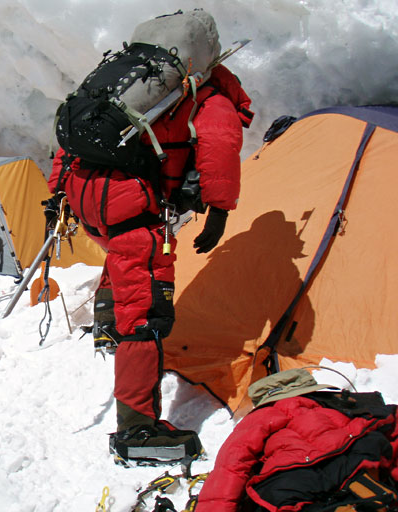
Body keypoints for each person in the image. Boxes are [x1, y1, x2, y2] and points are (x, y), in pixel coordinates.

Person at [49, 60, 252, 461]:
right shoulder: (205, 95)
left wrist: (58, 191)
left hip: (87, 196)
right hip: (131, 207)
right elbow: (219, 144)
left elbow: (73, 138)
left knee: (122, 258)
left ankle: (108, 323)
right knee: (144, 314)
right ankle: (137, 429)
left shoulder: (126, 86)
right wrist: (219, 207)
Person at [195, 369, 398, 510]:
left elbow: (231, 467)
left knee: (288, 498)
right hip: (355, 454)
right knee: (359, 476)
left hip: (294, 473)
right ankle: (370, 494)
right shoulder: (332, 405)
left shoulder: (259, 417)